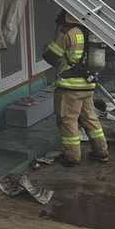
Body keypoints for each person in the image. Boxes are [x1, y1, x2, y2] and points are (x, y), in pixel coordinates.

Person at [43, 10, 109, 166]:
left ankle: (71, 157)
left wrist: (47, 47)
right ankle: (101, 151)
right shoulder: (88, 32)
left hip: (69, 87)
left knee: (68, 120)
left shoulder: (68, 32)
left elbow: (52, 56)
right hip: (87, 85)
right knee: (90, 119)